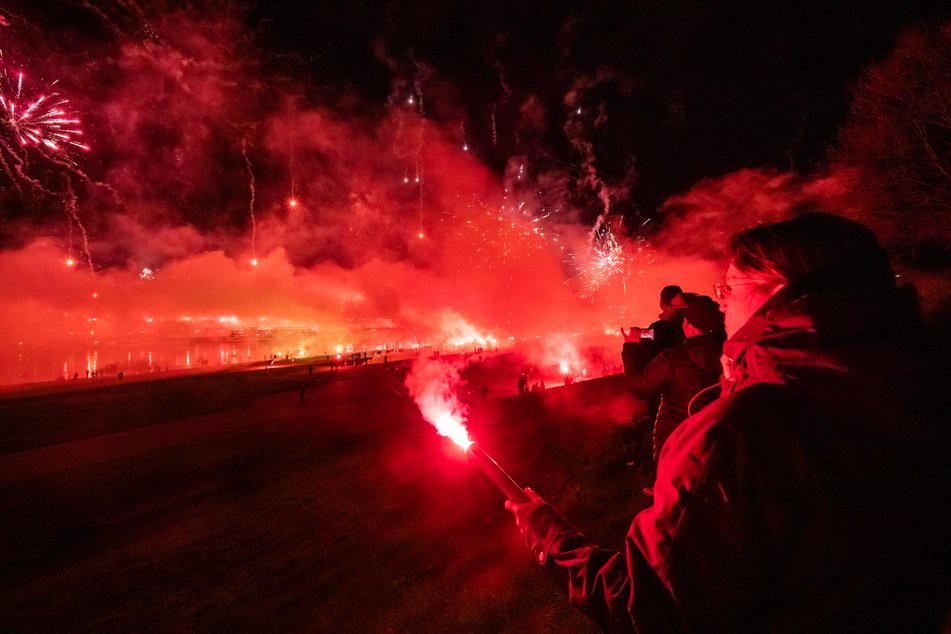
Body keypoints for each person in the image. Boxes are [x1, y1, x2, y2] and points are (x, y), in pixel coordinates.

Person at [505, 213, 951, 632]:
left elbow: (648, 605)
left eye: (729, 289)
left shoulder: (740, 433)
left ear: (774, 292)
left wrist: (550, 537)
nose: (721, 307)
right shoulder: (923, 382)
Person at [622, 295, 724, 496]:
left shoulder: (669, 351)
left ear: (691, 326)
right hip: (713, 441)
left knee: (675, 504)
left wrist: (631, 346)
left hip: (675, 441)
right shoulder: (727, 354)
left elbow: (639, 386)